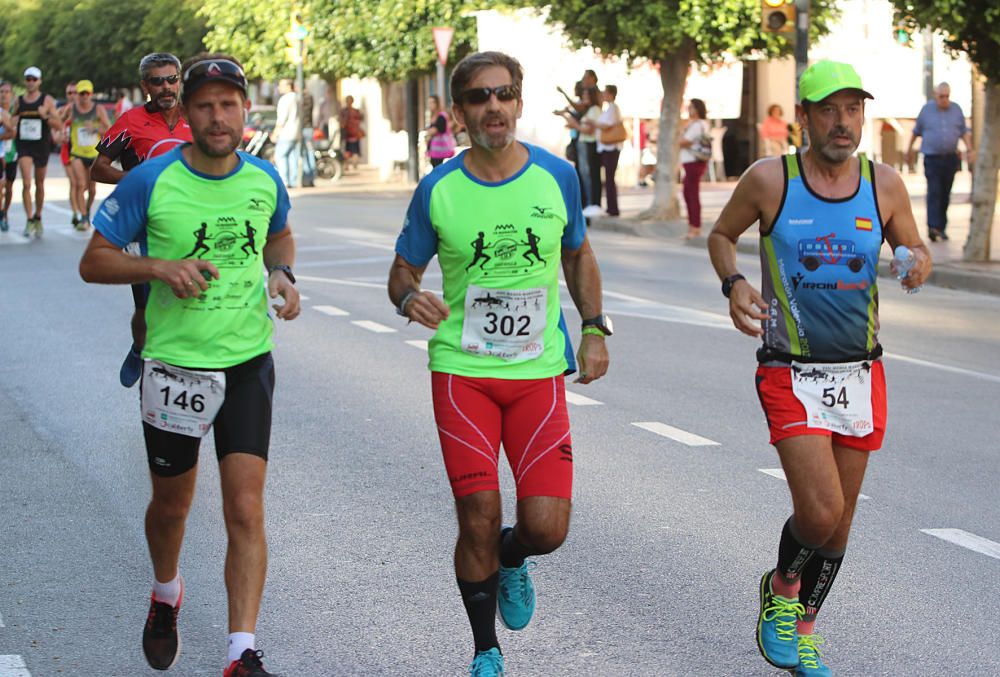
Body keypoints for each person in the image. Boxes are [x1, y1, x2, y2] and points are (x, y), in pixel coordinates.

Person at [388, 50, 610, 677]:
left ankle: (514, 557)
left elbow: (578, 255)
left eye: (505, 94)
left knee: (546, 528)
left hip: (537, 374)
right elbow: (402, 269)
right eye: (480, 97)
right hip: (463, 373)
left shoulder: (557, 176)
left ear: (519, 101)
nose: (494, 107)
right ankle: (486, 648)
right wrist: (409, 296)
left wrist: (593, 328)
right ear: (459, 113)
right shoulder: (439, 189)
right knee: (478, 515)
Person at [707, 60, 931, 677]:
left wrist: (915, 261)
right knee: (820, 512)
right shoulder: (769, 180)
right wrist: (733, 281)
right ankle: (780, 588)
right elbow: (722, 235)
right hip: (790, 369)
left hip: (861, 372)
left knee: (841, 523)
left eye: (853, 108)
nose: (843, 122)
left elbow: (915, 246)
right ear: (802, 117)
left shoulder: (883, 184)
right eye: (829, 110)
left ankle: (805, 629)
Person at [79, 52, 299, 677]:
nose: (218, 115)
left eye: (229, 103)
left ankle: (241, 651)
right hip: (176, 367)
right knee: (172, 506)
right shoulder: (150, 179)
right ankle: (166, 591)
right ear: (187, 110)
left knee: (246, 508)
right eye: (205, 104)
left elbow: (279, 233)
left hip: (248, 361)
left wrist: (282, 272)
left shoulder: (264, 178)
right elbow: (94, 261)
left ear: (243, 109)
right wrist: (157, 268)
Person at [92, 52, 193, 390]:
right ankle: (140, 347)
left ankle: (186, 364)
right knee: (146, 304)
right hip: (145, 226)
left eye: (171, 79)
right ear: (145, 85)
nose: (166, 87)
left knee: (191, 295)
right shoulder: (130, 121)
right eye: (157, 81)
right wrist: (135, 180)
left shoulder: (195, 117)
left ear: (179, 80)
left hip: (192, 224)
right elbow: (99, 168)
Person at [905, 82, 975, 242]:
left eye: (947, 96)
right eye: (941, 96)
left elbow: (964, 132)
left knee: (945, 193)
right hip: (932, 158)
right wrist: (908, 151)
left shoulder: (956, 110)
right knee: (934, 191)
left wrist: (970, 150)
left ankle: (941, 228)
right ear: (935, 96)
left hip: (950, 158)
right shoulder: (926, 111)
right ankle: (933, 227)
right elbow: (915, 132)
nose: (944, 99)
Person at [10, 66, 64, 238]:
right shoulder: (19, 100)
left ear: (39, 81)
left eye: (34, 79)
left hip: (41, 145)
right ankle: (28, 219)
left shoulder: (46, 100)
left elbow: (58, 125)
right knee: (26, 183)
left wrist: (45, 116)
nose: (31, 82)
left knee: (39, 183)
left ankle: (38, 215)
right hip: (24, 144)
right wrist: (14, 120)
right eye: (28, 79)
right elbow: (11, 121)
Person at [65, 79, 110, 230]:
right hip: (77, 153)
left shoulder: (98, 109)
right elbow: (58, 121)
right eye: (81, 93)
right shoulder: (71, 109)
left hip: (94, 154)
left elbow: (109, 130)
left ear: (91, 94)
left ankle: (87, 209)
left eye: (87, 93)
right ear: (77, 95)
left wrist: (95, 128)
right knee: (79, 184)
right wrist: (59, 132)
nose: (84, 96)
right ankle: (84, 217)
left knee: (92, 189)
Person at [558, 86, 602, 216]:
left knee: (589, 175)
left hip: (589, 145)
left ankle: (591, 204)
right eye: (584, 96)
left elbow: (588, 130)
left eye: (587, 96)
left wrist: (575, 125)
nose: (584, 99)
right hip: (583, 144)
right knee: (584, 175)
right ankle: (587, 204)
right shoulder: (587, 111)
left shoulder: (595, 110)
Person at [679, 98, 710, 239]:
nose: (689, 110)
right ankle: (693, 226)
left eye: (691, 107)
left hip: (694, 162)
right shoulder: (694, 124)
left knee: (691, 194)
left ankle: (695, 227)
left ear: (697, 109)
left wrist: (680, 137)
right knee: (688, 193)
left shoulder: (698, 125)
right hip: (690, 162)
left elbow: (684, 141)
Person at [594, 84, 623, 217]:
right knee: (608, 178)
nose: (603, 95)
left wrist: (593, 123)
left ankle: (613, 208)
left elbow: (607, 125)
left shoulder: (613, 108)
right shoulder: (608, 109)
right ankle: (611, 207)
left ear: (611, 94)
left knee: (610, 178)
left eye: (605, 93)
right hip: (606, 148)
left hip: (611, 148)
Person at [58, 81, 82, 226]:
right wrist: (60, 135)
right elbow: (56, 130)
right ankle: (76, 213)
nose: (72, 96)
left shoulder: (87, 110)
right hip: (68, 150)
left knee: (85, 186)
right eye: (69, 93)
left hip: (84, 151)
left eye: (75, 92)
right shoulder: (63, 110)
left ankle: (83, 210)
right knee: (75, 183)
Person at [272, 79, 300, 189]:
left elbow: (282, 119)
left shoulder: (285, 99)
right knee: (292, 156)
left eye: (281, 85)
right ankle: (293, 180)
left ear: (288, 86)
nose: (279, 88)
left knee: (281, 156)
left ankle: (284, 180)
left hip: (286, 133)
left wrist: (276, 133)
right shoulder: (298, 98)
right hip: (296, 132)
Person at [0, 80, 16, 233]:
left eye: (6, 92)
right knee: (0, 186)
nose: (4, 95)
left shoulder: (15, 111)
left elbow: (14, 133)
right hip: (0, 154)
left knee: (9, 187)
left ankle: (5, 212)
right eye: (1, 92)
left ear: (12, 95)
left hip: (13, 153)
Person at [426, 94, 456, 168]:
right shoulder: (433, 116)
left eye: (432, 102)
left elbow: (438, 129)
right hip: (434, 148)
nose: (430, 105)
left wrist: (429, 132)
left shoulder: (441, 116)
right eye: (429, 103)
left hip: (440, 148)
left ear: (437, 103)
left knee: (438, 167)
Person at [338, 95, 364, 171]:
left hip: (348, 134)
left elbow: (342, 122)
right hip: (353, 134)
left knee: (347, 149)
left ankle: (347, 164)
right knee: (353, 150)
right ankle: (352, 164)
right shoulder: (355, 111)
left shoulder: (344, 111)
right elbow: (360, 119)